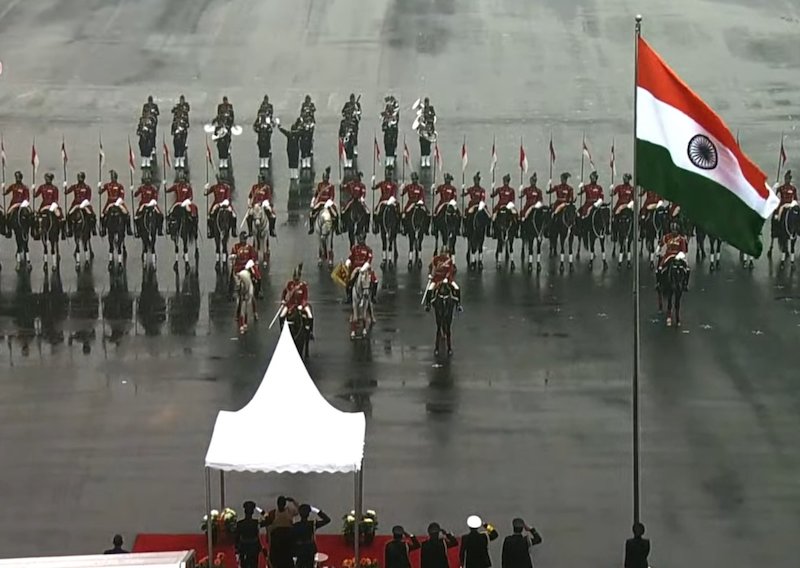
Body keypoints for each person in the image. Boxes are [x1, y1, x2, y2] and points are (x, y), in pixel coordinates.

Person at [262, 496, 299, 568]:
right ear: (277, 504)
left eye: (282, 504)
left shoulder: (289, 510)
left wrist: (293, 501)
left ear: (285, 504)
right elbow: (268, 527)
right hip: (278, 540)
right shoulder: (273, 513)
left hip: (287, 540)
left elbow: (299, 510)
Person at [292, 503, 330, 568]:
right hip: (310, 549)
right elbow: (327, 520)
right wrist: (315, 510)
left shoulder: (296, 525)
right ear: (309, 514)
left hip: (299, 549)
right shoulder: (312, 524)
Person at [424, 245, 461, 311]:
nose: (444, 254)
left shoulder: (449, 260)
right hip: (437, 278)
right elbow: (431, 267)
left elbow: (450, 270)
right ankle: (428, 304)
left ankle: (458, 304)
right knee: (430, 288)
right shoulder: (436, 259)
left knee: (456, 287)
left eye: (445, 252)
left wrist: (447, 277)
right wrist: (430, 274)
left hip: (447, 278)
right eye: (443, 252)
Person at [279, 264, 313, 336]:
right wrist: (283, 300)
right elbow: (284, 292)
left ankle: (310, 331)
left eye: (297, 279)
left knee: (310, 315)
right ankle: (282, 330)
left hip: (301, 304)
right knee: (282, 315)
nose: (296, 281)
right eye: (295, 279)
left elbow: (305, 297)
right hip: (290, 304)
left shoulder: (303, 285)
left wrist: (302, 305)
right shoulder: (289, 284)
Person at [657, 219, 690, 290]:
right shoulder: (666, 237)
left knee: (687, 269)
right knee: (659, 268)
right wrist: (658, 251)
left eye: (675, 230)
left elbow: (683, 250)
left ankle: (685, 284)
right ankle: (659, 283)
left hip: (679, 255)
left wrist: (680, 256)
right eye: (673, 229)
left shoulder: (682, 239)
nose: (674, 231)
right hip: (668, 255)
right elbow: (660, 244)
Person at [345, 232, 378, 302]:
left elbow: (369, 260)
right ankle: (349, 296)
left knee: (374, 280)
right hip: (355, 267)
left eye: (361, 239)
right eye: (359, 239)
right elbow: (351, 257)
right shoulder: (354, 248)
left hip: (364, 268)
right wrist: (348, 262)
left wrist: (363, 268)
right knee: (348, 279)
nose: (360, 241)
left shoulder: (368, 249)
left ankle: (373, 296)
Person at [99, 170, 132, 236]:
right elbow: (100, 192)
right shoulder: (107, 185)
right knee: (103, 215)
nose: (113, 178)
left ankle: (128, 228)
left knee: (127, 214)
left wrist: (118, 202)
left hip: (118, 202)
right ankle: (103, 229)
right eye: (112, 177)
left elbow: (122, 195)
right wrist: (99, 187)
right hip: (110, 202)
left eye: (114, 177)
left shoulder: (120, 186)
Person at [231, 231, 262, 298]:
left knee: (257, 274)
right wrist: (233, 257)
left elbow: (254, 257)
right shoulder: (236, 247)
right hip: (238, 266)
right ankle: (233, 291)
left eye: (244, 238)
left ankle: (258, 291)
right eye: (242, 238)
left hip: (247, 266)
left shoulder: (249, 248)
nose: (243, 240)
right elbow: (232, 254)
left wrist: (254, 262)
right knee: (232, 275)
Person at [65, 171, 97, 236]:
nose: (79, 179)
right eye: (78, 177)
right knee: (69, 214)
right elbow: (67, 192)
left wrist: (83, 204)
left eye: (80, 177)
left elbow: (88, 198)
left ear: (83, 178)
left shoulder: (87, 187)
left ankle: (93, 229)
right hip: (76, 204)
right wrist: (65, 186)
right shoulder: (75, 186)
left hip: (84, 204)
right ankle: (70, 230)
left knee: (93, 215)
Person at [309, 166, 338, 234]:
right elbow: (316, 194)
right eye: (324, 177)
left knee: (335, 215)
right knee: (311, 214)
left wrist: (327, 203)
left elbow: (332, 196)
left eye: (326, 178)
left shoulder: (331, 186)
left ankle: (337, 229)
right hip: (320, 202)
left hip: (328, 203)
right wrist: (313, 201)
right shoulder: (320, 185)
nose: (325, 179)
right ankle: (311, 227)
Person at [236, 501, 263, 568]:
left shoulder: (240, 524)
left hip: (243, 548)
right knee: (254, 565)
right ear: (253, 512)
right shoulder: (256, 523)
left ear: (245, 511)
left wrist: (237, 548)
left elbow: (237, 537)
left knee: (243, 565)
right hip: (254, 548)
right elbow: (267, 519)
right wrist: (262, 512)